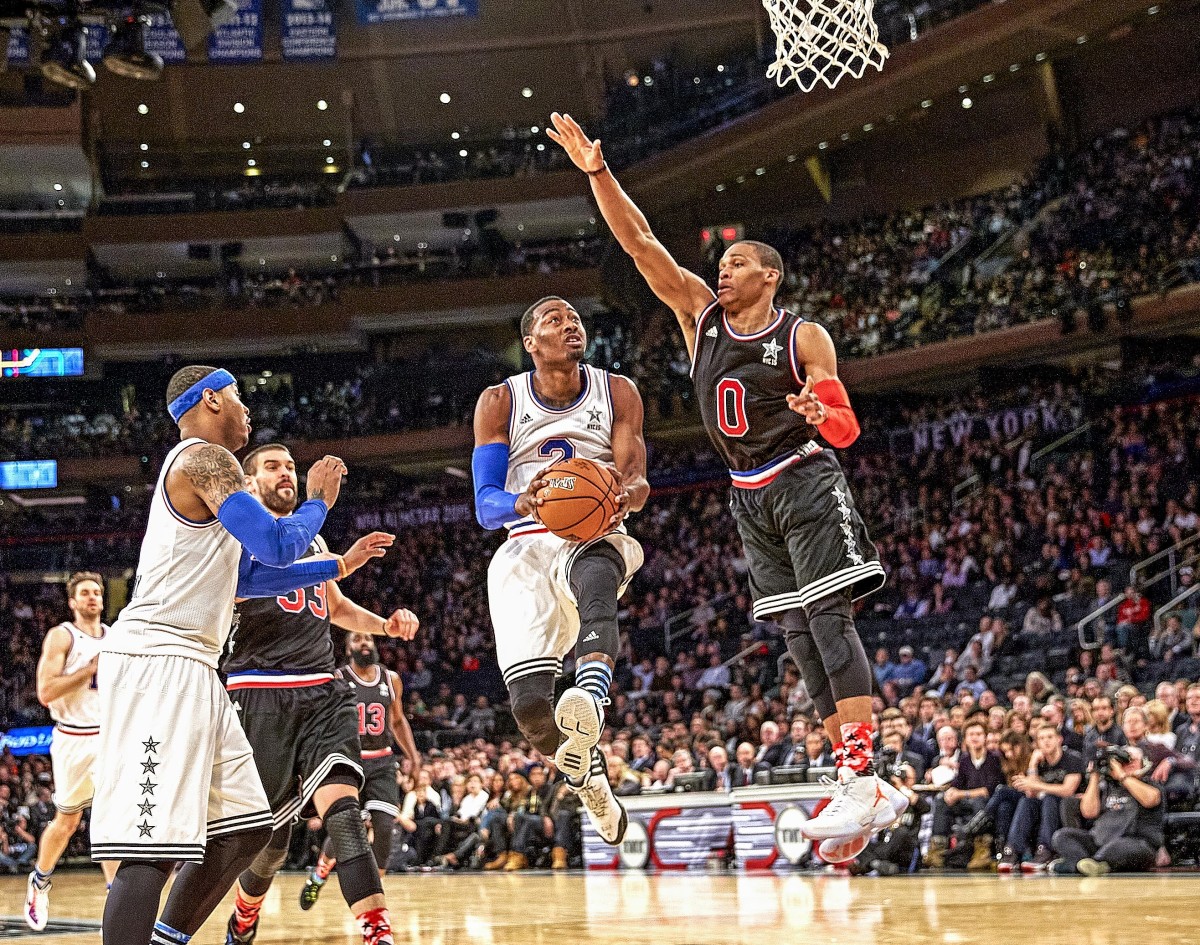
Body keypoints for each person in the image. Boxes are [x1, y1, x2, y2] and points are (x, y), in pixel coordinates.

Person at [548, 111, 899, 860]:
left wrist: (819, 411)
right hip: (747, 492)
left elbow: (845, 426)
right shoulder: (698, 315)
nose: (723, 268)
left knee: (830, 621)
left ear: (769, 276)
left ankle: (865, 775)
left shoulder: (801, 335)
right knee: (801, 636)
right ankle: (854, 781)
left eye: (738, 261)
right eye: (723, 261)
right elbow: (641, 243)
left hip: (804, 476)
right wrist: (597, 174)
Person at [88, 365, 385, 945]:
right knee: (149, 848)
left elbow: (248, 577)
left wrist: (339, 566)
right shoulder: (204, 457)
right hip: (158, 660)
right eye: (239, 397)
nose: (248, 408)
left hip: (194, 665)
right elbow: (276, 545)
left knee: (248, 827)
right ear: (210, 400)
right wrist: (319, 503)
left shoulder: (214, 479)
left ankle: (170, 936)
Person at [218, 443, 419, 945]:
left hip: (322, 689)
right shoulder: (235, 536)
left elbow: (335, 608)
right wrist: (342, 564)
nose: (286, 473)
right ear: (249, 483)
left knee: (345, 815)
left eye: (290, 466)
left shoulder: (313, 539)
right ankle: (245, 912)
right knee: (271, 844)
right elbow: (256, 584)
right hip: (260, 690)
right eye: (272, 466)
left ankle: (377, 932)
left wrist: (384, 627)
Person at [471, 294, 649, 846]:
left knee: (597, 572)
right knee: (528, 709)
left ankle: (591, 695)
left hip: (591, 529)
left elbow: (638, 479)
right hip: (524, 544)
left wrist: (626, 493)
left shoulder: (616, 390)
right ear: (530, 342)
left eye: (574, 318)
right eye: (554, 319)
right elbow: (484, 505)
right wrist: (523, 501)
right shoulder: (501, 401)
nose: (570, 325)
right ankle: (589, 778)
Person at [24, 572, 118, 931]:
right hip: (72, 739)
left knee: (111, 818)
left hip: (109, 736)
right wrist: (88, 670)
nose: (93, 597)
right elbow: (46, 692)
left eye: (97, 592)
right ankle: (40, 880)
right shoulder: (62, 636)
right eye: (85, 593)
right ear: (73, 602)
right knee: (67, 822)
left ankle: (117, 896)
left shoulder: (116, 636)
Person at [300, 632, 422, 906]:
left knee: (383, 827)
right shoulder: (338, 678)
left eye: (368, 638)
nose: (364, 643)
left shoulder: (391, 680)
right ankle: (319, 876)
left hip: (382, 761)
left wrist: (414, 757)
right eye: (357, 639)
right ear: (348, 648)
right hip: (349, 760)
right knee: (346, 825)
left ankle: (373, 899)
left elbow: (398, 721)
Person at [1050, 745, 1164, 875]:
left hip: (1136, 843)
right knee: (1061, 836)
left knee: (1119, 846)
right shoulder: (1109, 787)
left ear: (1143, 762)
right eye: (1124, 761)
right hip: (1100, 842)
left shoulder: (1150, 784)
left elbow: (1150, 799)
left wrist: (1122, 775)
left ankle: (1081, 865)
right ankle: (1088, 864)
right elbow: (1088, 812)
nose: (1128, 764)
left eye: (1133, 760)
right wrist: (1095, 777)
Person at [998, 724, 1084, 872]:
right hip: (1046, 806)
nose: (1046, 741)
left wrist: (1036, 785)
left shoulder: (1072, 758)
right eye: (1042, 738)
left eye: (1050, 737)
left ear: (1059, 739)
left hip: (1070, 805)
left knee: (1049, 798)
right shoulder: (1040, 762)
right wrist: (1032, 765)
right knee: (1027, 801)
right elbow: (1031, 793)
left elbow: (1068, 790)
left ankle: (1045, 850)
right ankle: (1012, 850)